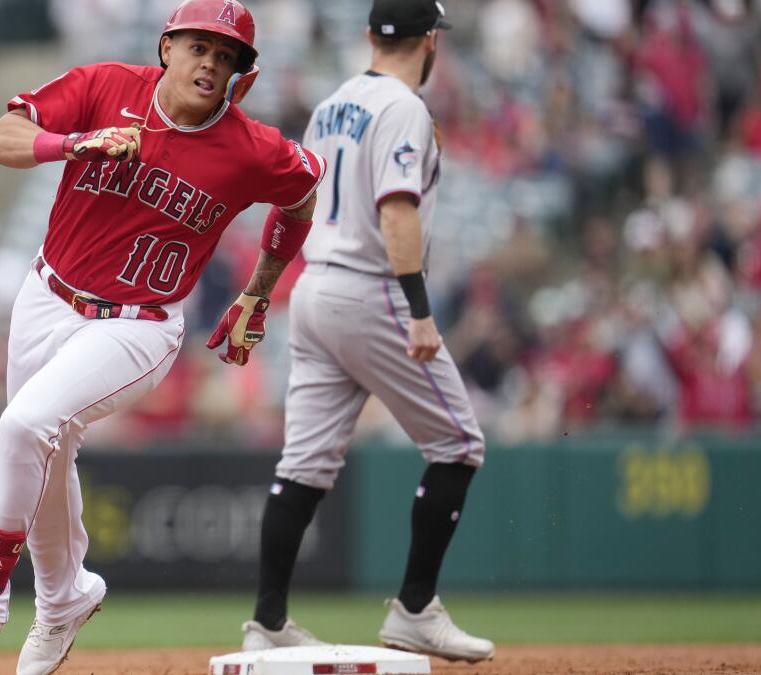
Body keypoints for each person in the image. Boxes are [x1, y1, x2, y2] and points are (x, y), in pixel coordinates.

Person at [0, 1, 327, 673]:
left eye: (227, 57)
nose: (211, 63)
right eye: (200, 46)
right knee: (45, 454)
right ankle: (64, 599)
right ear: (167, 47)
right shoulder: (104, 85)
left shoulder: (250, 146)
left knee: (26, 424)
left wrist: (259, 289)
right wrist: (75, 143)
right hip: (46, 294)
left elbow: (302, 193)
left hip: (137, 325)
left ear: (239, 75)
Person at [240, 0, 495, 664]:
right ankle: (415, 607)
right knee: (459, 442)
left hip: (315, 287)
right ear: (431, 40)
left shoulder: (331, 103)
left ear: (368, 36)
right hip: (369, 285)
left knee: (304, 464)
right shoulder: (405, 107)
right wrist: (418, 308)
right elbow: (397, 209)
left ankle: (267, 618)